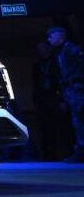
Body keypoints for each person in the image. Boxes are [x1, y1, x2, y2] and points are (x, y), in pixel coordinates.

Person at [46, 27, 84, 162]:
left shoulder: (72, 50)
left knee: (79, 121)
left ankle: (81, 152)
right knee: (77, 121)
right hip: (72, 90)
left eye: (51, 37)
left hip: (77, 90)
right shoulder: (61, 51)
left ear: (60, 38)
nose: (49, 40)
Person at [32, 40, 73, 160]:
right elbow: (35, 85)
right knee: (45, 128)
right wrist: (36, 101)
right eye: (39, 48)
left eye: (43, 47)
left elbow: (61, 82)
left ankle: (63, 153)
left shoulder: (56, 62)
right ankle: (47, 154)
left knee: (59, 127)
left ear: (48, 48)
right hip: (42, 99)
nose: (41, 50)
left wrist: (62, 100)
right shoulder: (37, 65)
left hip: (55, 97)